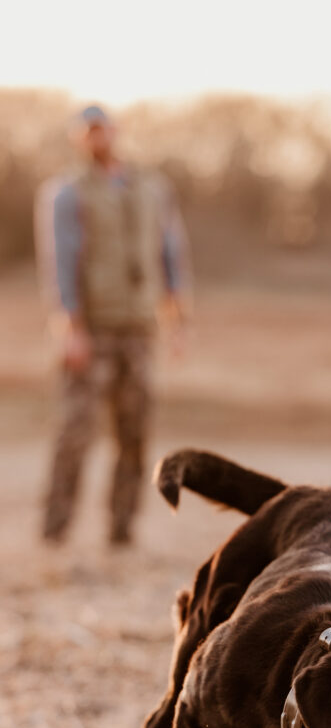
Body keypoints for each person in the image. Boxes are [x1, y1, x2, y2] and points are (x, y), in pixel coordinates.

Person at [35, 104, 191, 546]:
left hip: (140, 329)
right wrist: (71, 326)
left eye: (103, 130)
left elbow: (171, 254)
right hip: (93, 328)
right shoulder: (66, 193)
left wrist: (178, 321)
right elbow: (60, 263)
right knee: (75, 431)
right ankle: (55, 531)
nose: (97, 138)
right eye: (88, 132)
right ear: (77, 139)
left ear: (116, 132)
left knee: (135, 432)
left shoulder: (152, 188)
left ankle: (122, 531)